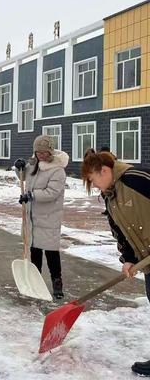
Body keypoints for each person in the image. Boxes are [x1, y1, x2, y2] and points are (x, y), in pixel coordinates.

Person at [81, 148, 150, 377]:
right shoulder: (110, 198)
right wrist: (129, 260)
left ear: (104, 170)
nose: (96, 187)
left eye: (94, 181)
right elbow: (121, 234)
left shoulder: (136, 179)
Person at [14, 135, 68, 300]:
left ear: (50, 152)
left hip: (49, 217)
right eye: (38, 152)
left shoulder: (57, 169)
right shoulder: (33, 166)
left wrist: (31, 195)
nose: (41, 155)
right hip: (32, 217)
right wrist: (19, 167)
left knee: (51, 253)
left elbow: (52, 192)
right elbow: (23, 177)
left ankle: (57, 283)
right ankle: (35, 281)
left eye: (44, 153)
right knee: (34, 250)